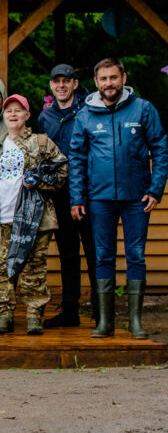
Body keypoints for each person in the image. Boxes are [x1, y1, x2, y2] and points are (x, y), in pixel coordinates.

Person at [69, 58, 168, 339]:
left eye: (113, 78)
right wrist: (77, 197)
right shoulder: (85, 115)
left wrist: (155, 189)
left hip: (137, 197)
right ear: (96, 81)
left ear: (123, 78)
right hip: (99, 198)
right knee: (103, 257)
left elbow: (160, 147)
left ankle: (135, 322)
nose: (109, 84)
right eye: (103, 79)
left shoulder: (143, 108)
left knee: (136, 256)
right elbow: (76, 158)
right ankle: (106, 322)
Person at [0, 95, 67, 335]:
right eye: (9, 110)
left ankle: (34, 316)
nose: (13, 114)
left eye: (18, 110)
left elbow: (62, 169)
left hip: (34, 219)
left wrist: (40, 181)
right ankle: (3, 315)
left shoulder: (41, 143)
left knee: (34, 269)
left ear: (27, 115)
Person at [37, 64, 97, 329]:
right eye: (56, 81)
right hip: (60, 196)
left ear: (75, 84)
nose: (61, 85)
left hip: (89, 193)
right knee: (67, 254)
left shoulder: (89, 112)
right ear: (51, 86)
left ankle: (100, 312)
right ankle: (70, 311)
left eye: (66, 81)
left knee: (96, 253)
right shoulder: (45, 118)